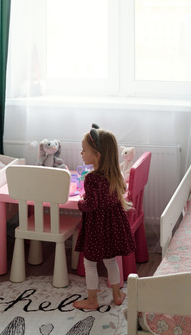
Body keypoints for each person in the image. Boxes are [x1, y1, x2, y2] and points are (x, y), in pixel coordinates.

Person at [73, 123, 135, 309]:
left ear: (97, 156)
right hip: (112, 226)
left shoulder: (91, 179)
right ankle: (117, 294)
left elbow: (91, 205)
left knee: (89, 263)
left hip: (96, 228)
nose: (81, 153)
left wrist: (80, 203)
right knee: (110, 261)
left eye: (84, 150)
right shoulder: (115, 175)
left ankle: (92, 300)